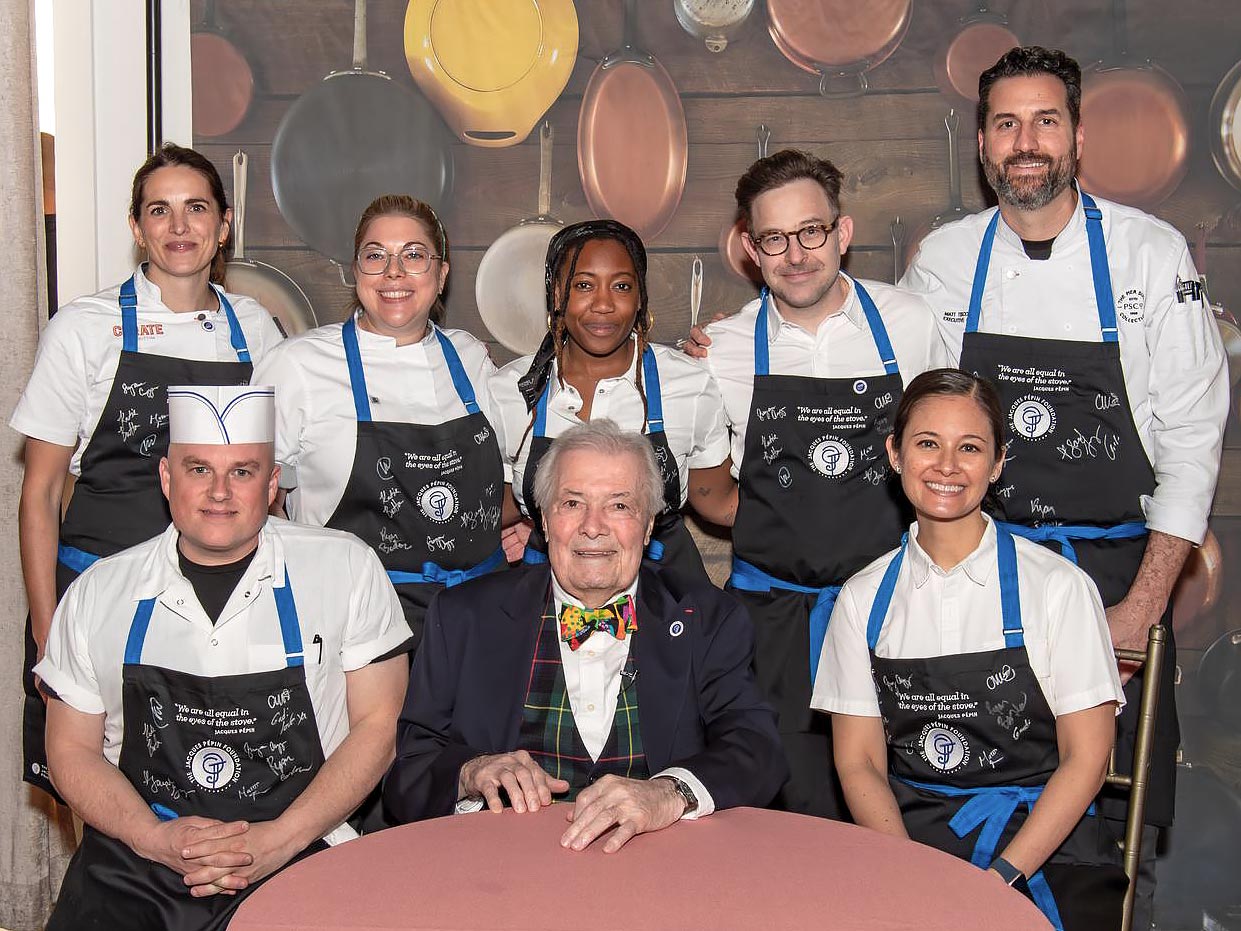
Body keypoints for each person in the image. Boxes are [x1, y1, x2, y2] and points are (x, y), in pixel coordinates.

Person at [899, 47, 1228, 923]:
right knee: (968, 797)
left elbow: (1193, 438)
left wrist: (1145, 602)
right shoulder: (944, 261)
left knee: (1114, 827)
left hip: (1109, 577)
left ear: (1078, 135)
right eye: (1006, 124)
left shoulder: (1148, 256)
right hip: (978, 577)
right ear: (981, 144)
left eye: (1045, 121)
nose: (1025, 142)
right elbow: (898, 402)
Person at [35, 385, 412, 930]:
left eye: (242, 471)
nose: (219, 492)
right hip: (138, 860)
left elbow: (379, 728)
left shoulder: (346, 569)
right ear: (166, 478)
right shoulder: (99, 591)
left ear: (273, 482)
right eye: (198, 469)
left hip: (299, 849)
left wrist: (277, 842)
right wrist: (156, 838)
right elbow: (70, 750)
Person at [13, 142, 286, 801]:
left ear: (224, 224)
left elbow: (275, 492)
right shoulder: (85, 328)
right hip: (99, 596)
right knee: (104, 804)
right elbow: (41, 492)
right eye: (159, 211)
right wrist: (51, 635)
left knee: (214, 796)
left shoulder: (256, 331)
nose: (179, 227)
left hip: (219, 610)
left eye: (195, 209)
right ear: (137, 227)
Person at [682, 149, 950, 819]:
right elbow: (709, 492)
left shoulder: (910, 325)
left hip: (897, 618)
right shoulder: (721, 350)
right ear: (749, 248)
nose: (795, 254)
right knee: (783, 819)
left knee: (904, 811)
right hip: (772, 627)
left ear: (842, 232)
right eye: (774, 238)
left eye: (811, 231)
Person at [815, 369, 1128, 930]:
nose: (947, 466)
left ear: (999, 463)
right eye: (927, 443)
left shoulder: (1057, 587)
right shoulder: (862, 599)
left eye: (971, 448)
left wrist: (1000, 878)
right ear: (894, 453)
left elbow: (1087, 759)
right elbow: (857, 761)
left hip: (1044, 846)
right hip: (909, 842)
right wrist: (907, 871)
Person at [383, 419, 786, 850]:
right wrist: (470, 772)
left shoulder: (710, 618)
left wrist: (671, 792)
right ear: (543, 518)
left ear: (648, 525)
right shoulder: (464, 616)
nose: (593, 527)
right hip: (499, 869)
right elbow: (409, 771)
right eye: (572, 503)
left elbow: (756, 749)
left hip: (663, 871)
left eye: (619, 505)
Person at [253, 195, 509, 648]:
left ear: (441, 273)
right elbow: (256, 495)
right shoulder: (298, 366)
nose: (394, 272)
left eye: (414, 255)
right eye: (376, 256)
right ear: (356, 272)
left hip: (480, 614)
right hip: (359, 621)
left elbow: (504, 475)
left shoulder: (470, 357)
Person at [490, 219, 732, 587]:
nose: (602, 304)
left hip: (666, 594)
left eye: (621, 286)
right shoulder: (509, 391)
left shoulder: (689, 385)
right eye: (583, 285)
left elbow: (717, 500)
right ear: (556, 294)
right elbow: (491, 507)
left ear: (639, 297)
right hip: (546, 590)